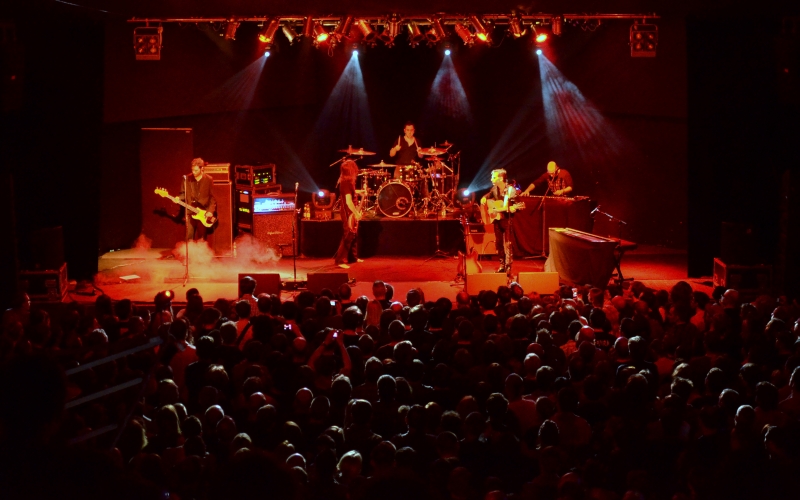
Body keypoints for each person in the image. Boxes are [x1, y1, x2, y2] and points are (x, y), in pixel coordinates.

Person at [480, 168, 517, 275]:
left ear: (500, 178)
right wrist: (484, 197)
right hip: (497, 220)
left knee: (507, 244)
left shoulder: (511, 190)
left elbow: (516, 205)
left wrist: (512, 207)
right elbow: (489, 195)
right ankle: (502, 265)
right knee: (499, 244)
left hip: (507, 220)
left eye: (494, 177)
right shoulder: (494, 189)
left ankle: (508, 266)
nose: (491, 179)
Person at [334, 159, 363, 269]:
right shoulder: (345, 183)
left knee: (354, 232)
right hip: (347, 211)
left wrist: (360, 192)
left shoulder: (349, 182)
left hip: (351, 210)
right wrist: (356, 213)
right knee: (348, 233)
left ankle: (353, 257)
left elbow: (351, 194)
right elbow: (348, 201)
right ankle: (340, 260)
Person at [179, 158, 217, 241]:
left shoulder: (209, 179)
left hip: (203, 213)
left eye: (196, 170)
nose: (193, 172)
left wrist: (210, 211)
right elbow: (182, 194)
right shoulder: (187, 179)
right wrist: (177, 199)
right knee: (188, 237)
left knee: (202, 238)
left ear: (202, 168)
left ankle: (201, 253)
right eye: (192, 170)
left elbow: (212, 198)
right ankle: (190, 253)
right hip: (190, 211)